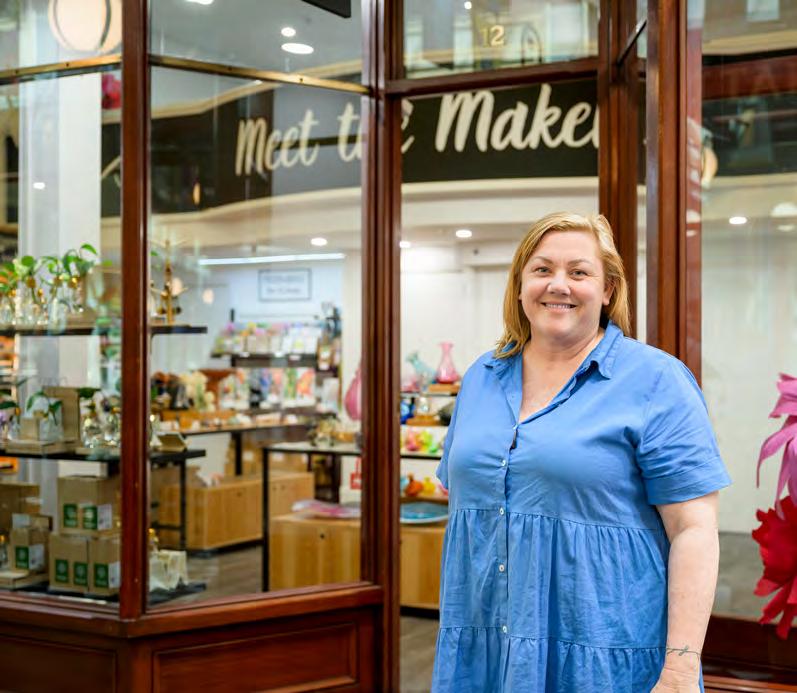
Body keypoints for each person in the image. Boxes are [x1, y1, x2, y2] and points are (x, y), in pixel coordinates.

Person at [431, 212, 731, 693]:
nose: (558, 284)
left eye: (578, 271)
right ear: (521, 284)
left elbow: (694, 530)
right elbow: (471, 510)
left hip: (602, 655)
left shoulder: (656, 380)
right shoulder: (481, 377)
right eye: (542, 269)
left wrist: (678, 671)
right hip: (484, 649)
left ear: (608, 289)